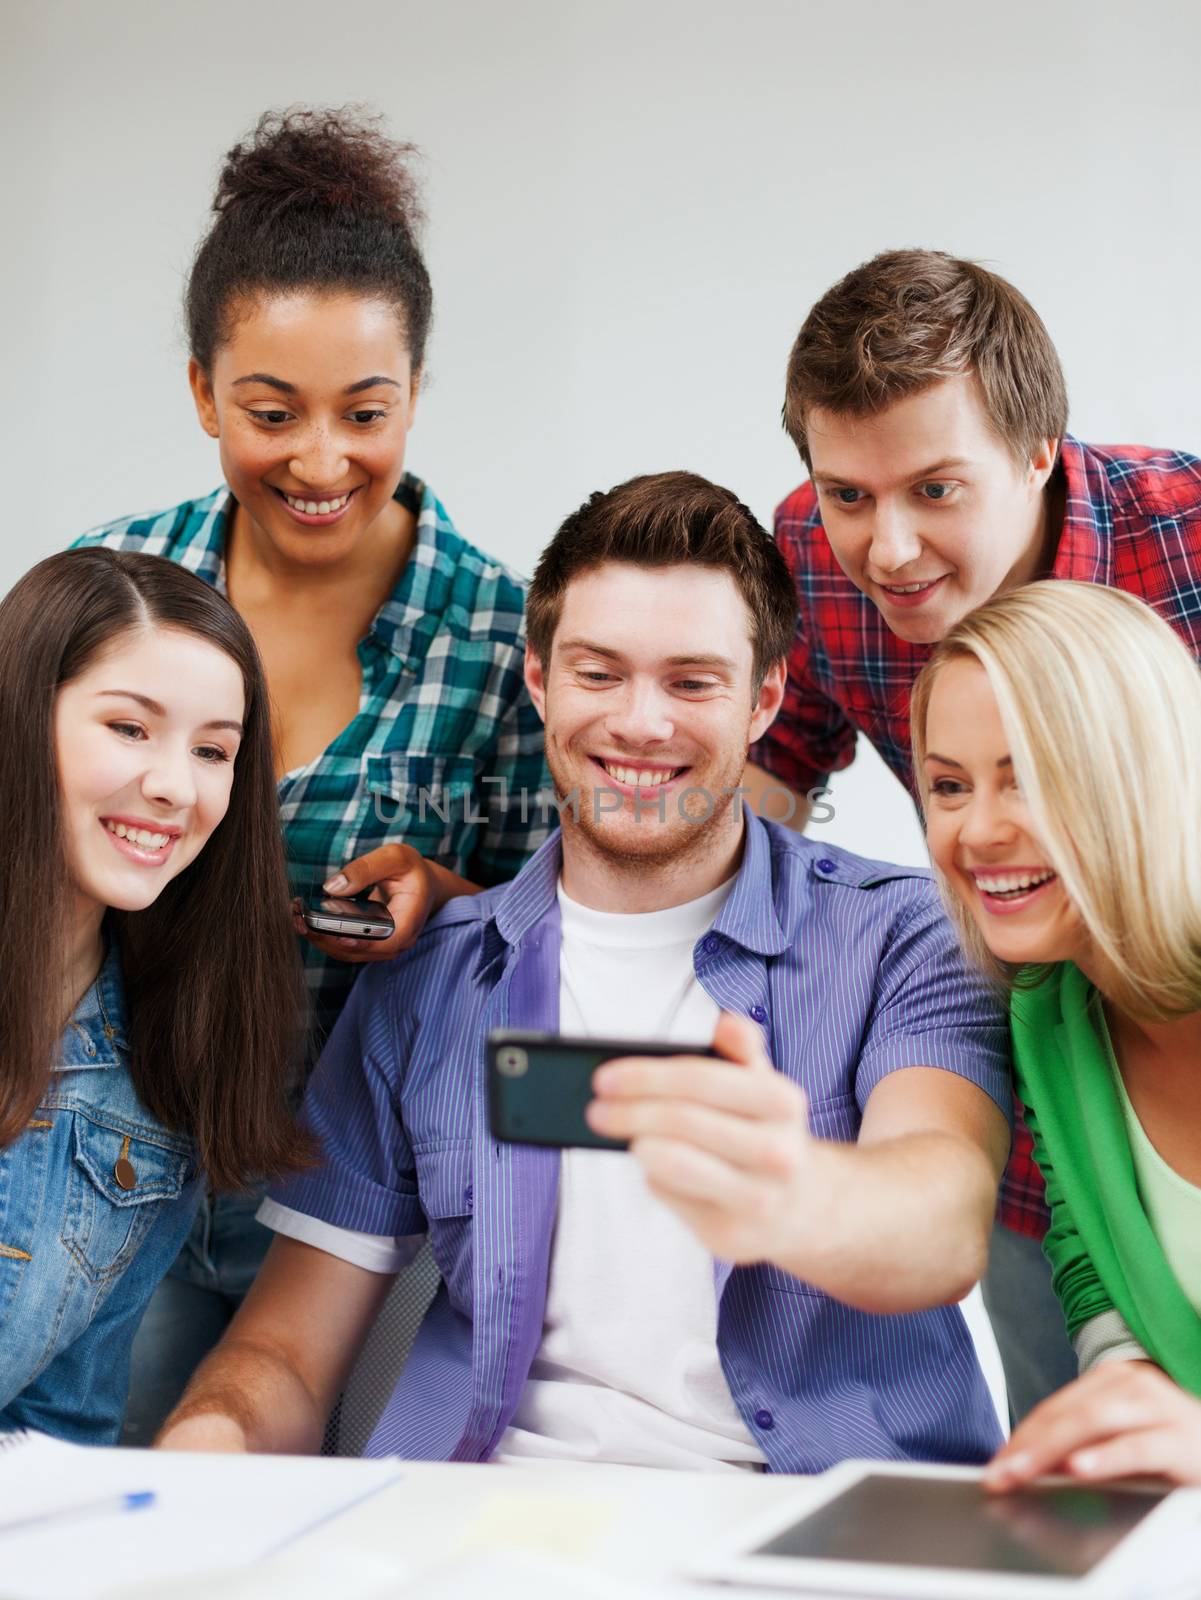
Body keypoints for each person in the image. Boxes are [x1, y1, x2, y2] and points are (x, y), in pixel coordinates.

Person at [154, 470, 1012, 1470]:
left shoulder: (905, 937)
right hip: (486, 1529)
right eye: (598, 673)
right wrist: (202, 1450)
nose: (639, 724)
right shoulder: (428, 980)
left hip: (809, 1531)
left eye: (691, 681)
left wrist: (792, 1191)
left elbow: (940, 1223)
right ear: (538, 681)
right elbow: (286, 1358)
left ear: (764, 698)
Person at [72, 107, 551, 1435]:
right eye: (271, 413)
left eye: (366, 411)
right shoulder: (114, 593)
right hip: (127, 1168)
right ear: (201, 393)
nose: (322, 461)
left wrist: (447, 898)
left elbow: (556, 937)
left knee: (359, 1533)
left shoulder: (499, 632)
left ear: (416, 395)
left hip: (364, 1203)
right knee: (121, 1517)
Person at [744, 248, 1201, 1422]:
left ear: (1040, 449)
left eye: (935, 491)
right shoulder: (815, 560)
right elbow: (760, 781)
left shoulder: (1187, 537)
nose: (886, 549)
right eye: (848, 494)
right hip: (1062, 1098)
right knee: (1095, 1433)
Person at [0, 547, 308, 1443]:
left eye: (213, 750)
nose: (177, 786)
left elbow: (56, 1434)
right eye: (130, 728)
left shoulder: (161, 1086)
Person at [911, 579, 1201, 1488]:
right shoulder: (1048, 1008)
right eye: (948, 786)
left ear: (1139, 773)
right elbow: (1094, 1270)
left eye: (1028, 777)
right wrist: (1124, 1400)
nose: (977, 830)